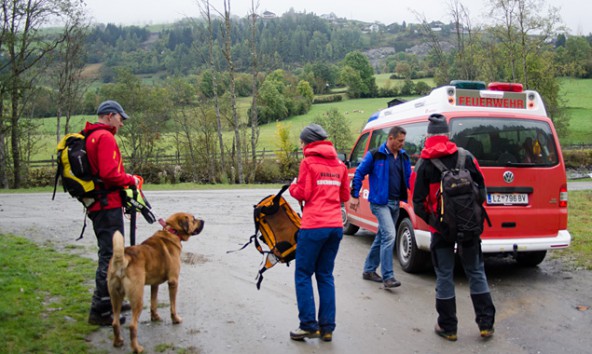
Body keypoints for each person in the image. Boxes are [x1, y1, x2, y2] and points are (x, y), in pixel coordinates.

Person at [411, 113, 496, 341]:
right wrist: (470, 214)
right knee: (476, 272)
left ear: (428, 137)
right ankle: (486, 324)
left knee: (445, 276)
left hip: (441, 231)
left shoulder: (423, 164)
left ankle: (448, 328)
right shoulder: (466, 157)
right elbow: (483, 191)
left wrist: (437, 223)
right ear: (448, 135)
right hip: (470, 227)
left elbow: (417, 204)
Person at [288, 123, 350, 342]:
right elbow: (344, 196)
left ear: (309, 142)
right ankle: (327, 328)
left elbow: (303, 192)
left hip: (314, 226)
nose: (301, 145)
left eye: (302, 141)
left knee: (303, 274)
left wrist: (292, 187)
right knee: (325, 275)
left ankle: (308, 325)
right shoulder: (340, 165)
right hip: (335, 227)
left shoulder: (308, 163)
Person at [85, 100, 139, 326]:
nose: (122, 123)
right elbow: (109, 174)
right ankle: (101, 309)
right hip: (107, 205)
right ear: (109, 116)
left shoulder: (91, 136)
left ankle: (110, 300)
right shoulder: (105, 137)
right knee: (110, 256)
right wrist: (131, 180)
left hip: (100, 204)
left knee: (110, 254)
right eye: (120, 118)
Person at [350, 126, 411, 288]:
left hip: (395, 203)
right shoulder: (375, 155)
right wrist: (355, 194)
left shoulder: (404, 157)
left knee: (382, 236)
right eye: (399, 141)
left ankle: (369, 270)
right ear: (390, 138)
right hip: (379, 203)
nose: (402, 144)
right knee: (390, 235)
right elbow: (359, 173)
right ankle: (388, 277)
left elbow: (409, 179)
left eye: (403, 141)